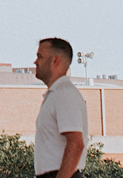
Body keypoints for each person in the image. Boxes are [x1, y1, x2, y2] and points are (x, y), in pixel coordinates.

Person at [33, 37, 87, 178]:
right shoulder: (56, 95)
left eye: (40, 57)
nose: (35, 62)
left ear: (55, 61)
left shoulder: (64, 94)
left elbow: (76, 144)